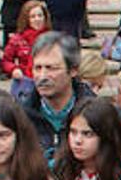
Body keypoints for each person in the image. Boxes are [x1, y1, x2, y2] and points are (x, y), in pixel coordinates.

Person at [17, 32, 95, 162]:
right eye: (37, 68)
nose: (42, 76)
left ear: (73, 70)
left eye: (51, 68)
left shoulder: (95, 114)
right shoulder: (21, 115)